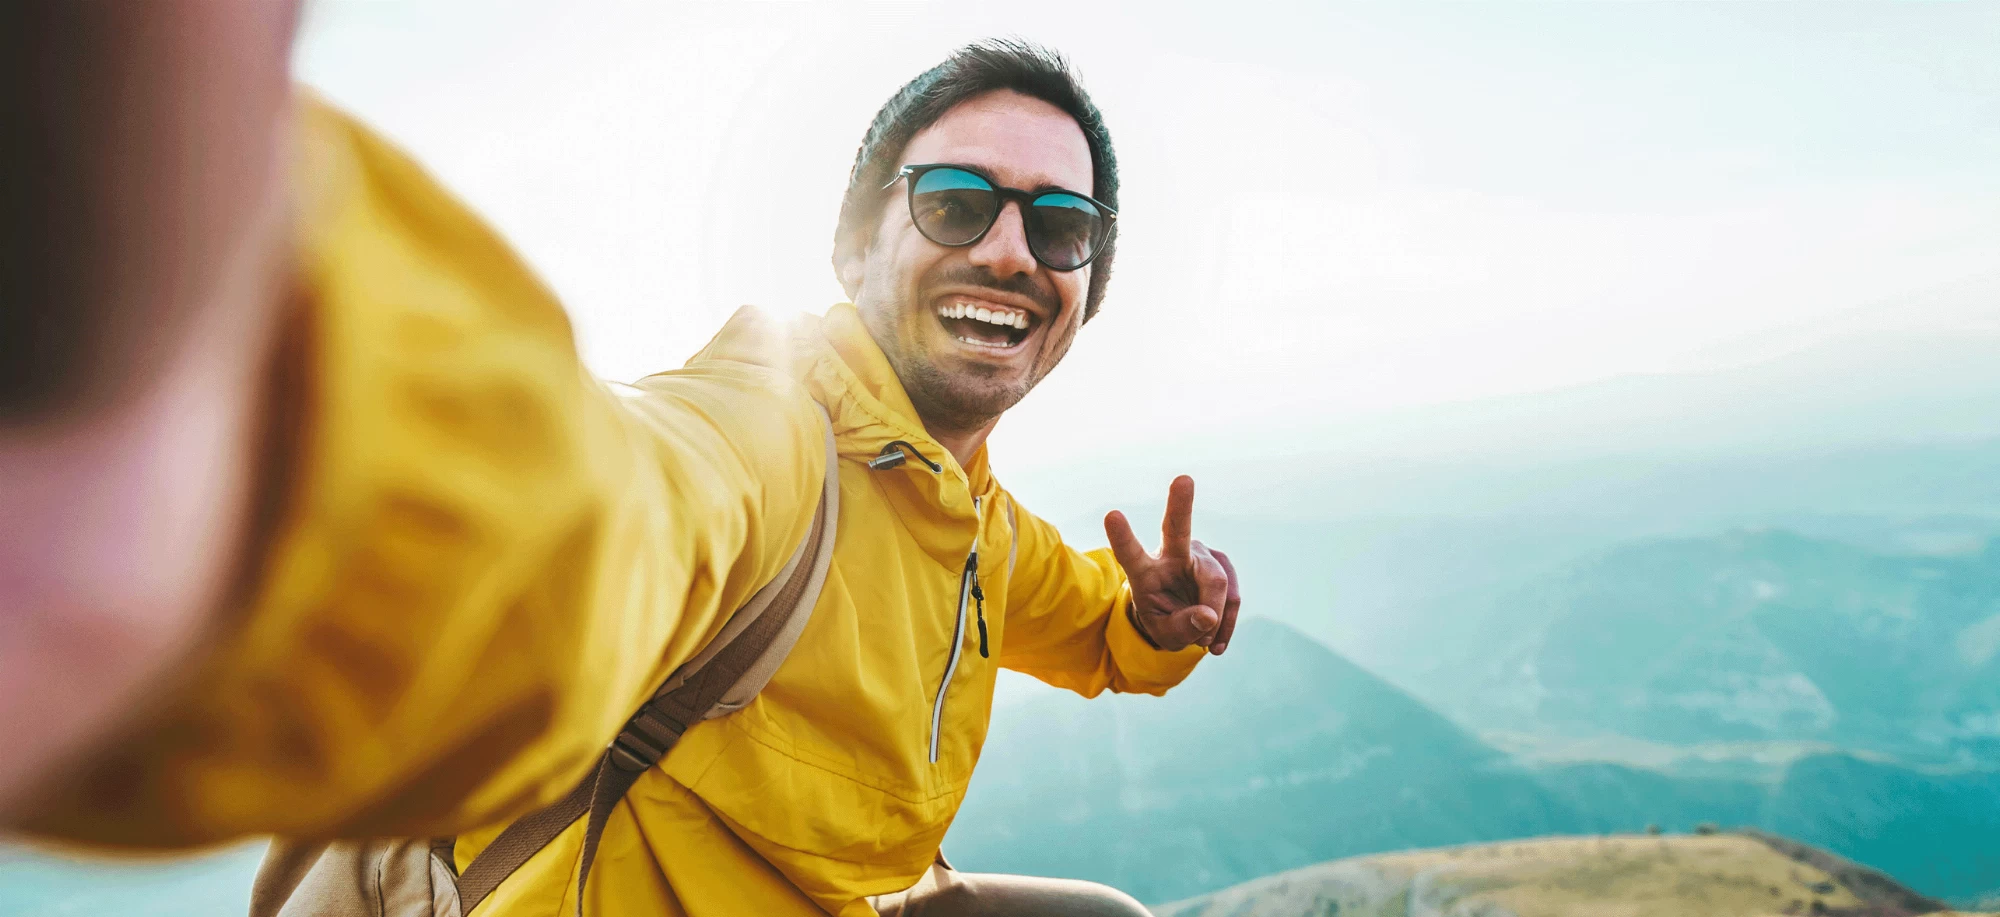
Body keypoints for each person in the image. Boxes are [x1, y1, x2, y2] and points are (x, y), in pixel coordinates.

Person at [2, 7, 1242, 915]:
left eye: (1061, 224)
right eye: (955, 203)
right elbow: (599, 516)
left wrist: (1153, 621)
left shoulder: (977, 521)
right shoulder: (762, 436)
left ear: (1087, 282)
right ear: (853, 244)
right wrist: (227, 415)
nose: (1013, 252)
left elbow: (1081, 623)